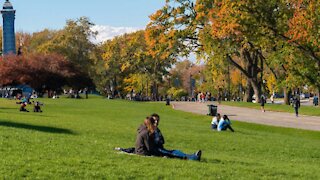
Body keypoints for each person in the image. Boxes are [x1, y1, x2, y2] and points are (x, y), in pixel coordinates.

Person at [116, 114, 201, 161]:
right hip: (153, 150)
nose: (156, 123)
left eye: (157, 121)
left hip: (157, 147)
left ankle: (191, 156)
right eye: (154, 121)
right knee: (170, 154)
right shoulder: (146, 132)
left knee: (174, 152)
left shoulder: (151, 130)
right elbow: (149, 147)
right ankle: (192, 158)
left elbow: (162, 141)